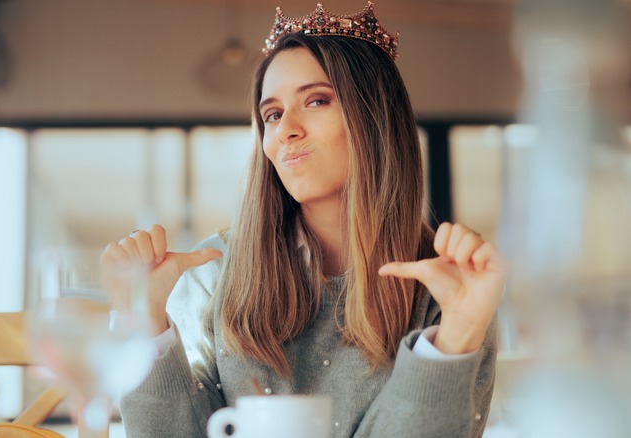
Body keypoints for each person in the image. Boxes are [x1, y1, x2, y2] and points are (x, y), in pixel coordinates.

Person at [105, 2, 506, 436]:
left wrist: (458, 336)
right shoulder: (213, 270)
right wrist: (144, 322)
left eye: (315, 100)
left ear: (374, 116)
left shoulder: (452, 288)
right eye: (272, 114)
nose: (285, 130)